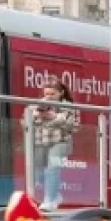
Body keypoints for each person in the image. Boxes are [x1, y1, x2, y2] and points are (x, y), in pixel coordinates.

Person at [28, 80, 79, 212]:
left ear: (61, 93)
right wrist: (41, 116)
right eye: (46, 93)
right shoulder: (37, 105)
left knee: (53, 167)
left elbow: (73, 126)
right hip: (40, 143)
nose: (49, 96)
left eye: (52, 94)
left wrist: (53, 117)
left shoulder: (69, 106)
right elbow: (27, 123)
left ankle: (49, 200)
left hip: (61, 142)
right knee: (38, 174)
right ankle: (55, 195)